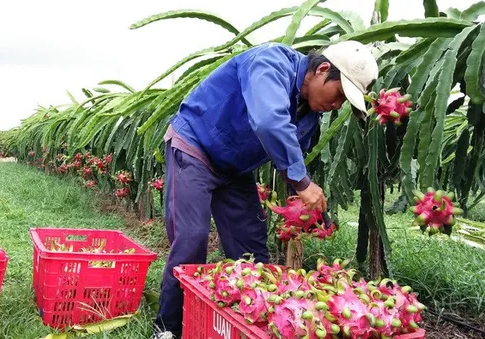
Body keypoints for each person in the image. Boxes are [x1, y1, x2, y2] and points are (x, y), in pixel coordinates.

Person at [152, 40, 379, 339]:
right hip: (195, 146)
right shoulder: (270, 62)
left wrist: (300, 207)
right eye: (339, 94)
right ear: (323, 69)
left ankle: (256, 325)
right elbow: (269, 122)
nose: (337, 105)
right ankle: (167, 329)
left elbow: (292, 158)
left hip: (234, 169)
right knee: (192, 239)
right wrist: (303, 184)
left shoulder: (311, 115)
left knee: (252, 249)